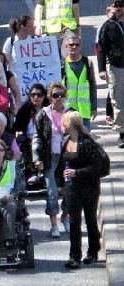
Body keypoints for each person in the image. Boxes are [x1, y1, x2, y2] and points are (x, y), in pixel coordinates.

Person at [55, 111, 102, 269]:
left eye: (64, 123)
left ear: (70, 125)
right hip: (71, 188)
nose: (62, 125)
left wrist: (77, 172)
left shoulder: (87, 142)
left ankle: (93, 252)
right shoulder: (66, 141)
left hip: (89, 187)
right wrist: (60, 183)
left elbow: (96, 167)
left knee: (90, 220)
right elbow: (61, 164)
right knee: (74, 221)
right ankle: (74, 256)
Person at [33, 82, 73, 238]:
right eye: (55, 95)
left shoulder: (70, 113)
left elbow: (78, 135)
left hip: (68, 157)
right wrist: (37, 157)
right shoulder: (43, 114)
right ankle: (54, 224)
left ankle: (65, 216)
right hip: (50, 157)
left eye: (62, 95)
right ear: (49, 97)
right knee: (52, 192)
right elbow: (37, 137)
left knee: (69, 190)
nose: (59, 98)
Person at [97, 0, 124, 148]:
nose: (118, 8)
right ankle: (122, 133)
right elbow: (101, 48)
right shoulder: (109, 25)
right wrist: (101, 69)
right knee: (118, 101)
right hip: (116, 67)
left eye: (121, 5)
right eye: (116, 6)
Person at [12, 83, 50, 183]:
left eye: (39, 95)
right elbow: (16, 128)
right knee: (26, 144)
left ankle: (45, 173)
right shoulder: (25, 110)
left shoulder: (48, 110)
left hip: (45, 138)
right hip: (28, 139)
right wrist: (18, 132)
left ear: (44, 96)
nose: (36, 97)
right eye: (33, 95)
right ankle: (31, 173)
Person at [61, 32, 97, 131]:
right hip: (68, 111)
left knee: (85, 141)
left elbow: (92, 86)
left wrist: (94, 107)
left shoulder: (87, 62)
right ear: (66, 47)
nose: (74, 47)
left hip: (84, 110)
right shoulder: (62, 65)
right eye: (71, 45)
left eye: (76, 45)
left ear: (80, 46)